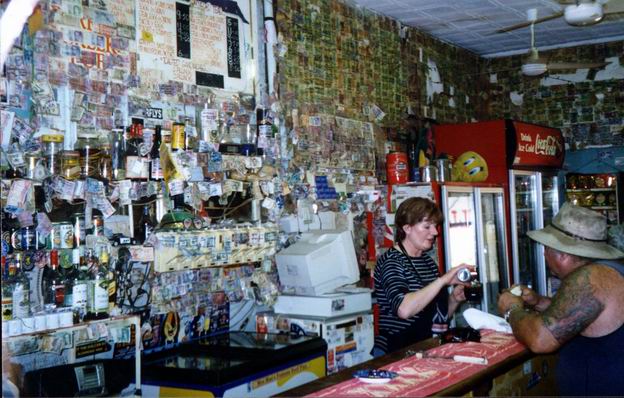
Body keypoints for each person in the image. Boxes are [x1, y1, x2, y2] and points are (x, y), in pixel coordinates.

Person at [497, 203, 624, 396]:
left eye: (546, 249)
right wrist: (539, 302)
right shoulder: (604, 272)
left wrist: (511, 309)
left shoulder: (588, 278)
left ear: (562, 254)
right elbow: (585, 315)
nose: (544, 254)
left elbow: (540, 340)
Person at [372, 197, 471, 356]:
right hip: (397, 351)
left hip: (425, 347)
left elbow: (438, 319)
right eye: (427, 226)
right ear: (407, 228)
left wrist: (453, 300)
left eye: (435, 225)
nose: (435, 232)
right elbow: (403, 309)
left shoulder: (428, 262)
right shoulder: (391, 262)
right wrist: (443, 280)